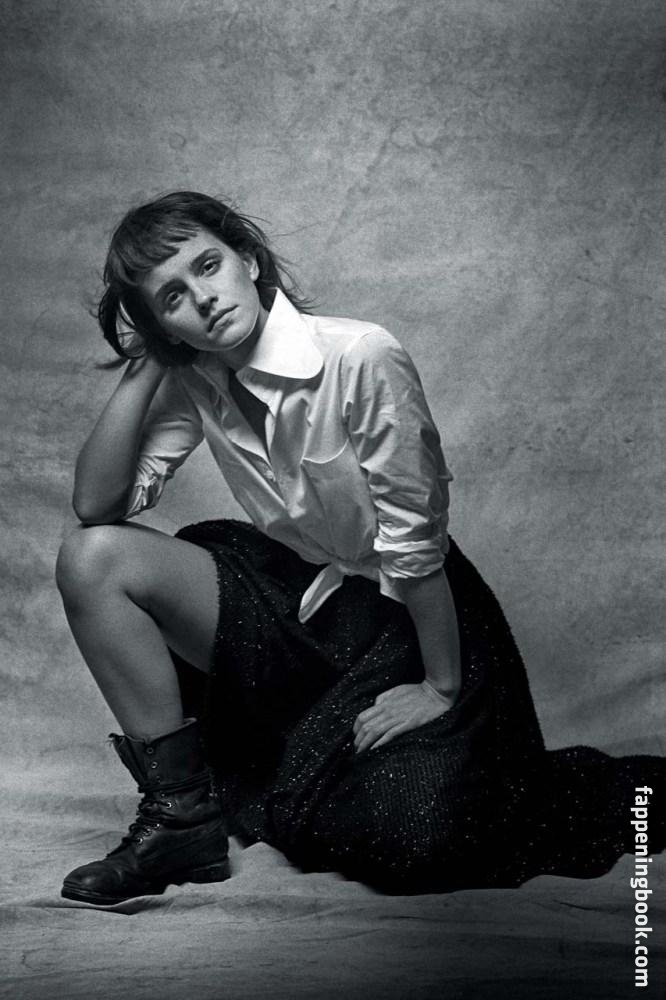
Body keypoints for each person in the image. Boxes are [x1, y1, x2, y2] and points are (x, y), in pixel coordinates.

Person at [56, 190, 664, 906]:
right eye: (172, 297)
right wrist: (149, 366)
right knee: (92, 557)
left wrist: (441, 687)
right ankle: (180, 818)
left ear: (247, 258)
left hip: (410, 616)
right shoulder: (197, 377)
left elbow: (413, 539)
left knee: (411, 838)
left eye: (208, 266)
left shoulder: (359, 354)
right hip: (301, 606)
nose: (204, 299)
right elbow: (98, 507)